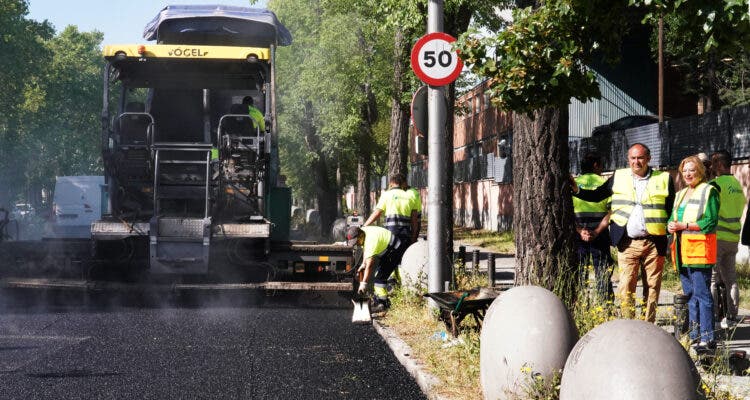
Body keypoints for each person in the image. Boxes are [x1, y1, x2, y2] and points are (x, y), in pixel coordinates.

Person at [572, 143, 675, 323]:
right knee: (626, 286)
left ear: (648, 158)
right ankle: (628, 325)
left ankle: (648, 325)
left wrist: (669, 235)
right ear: (628, 159)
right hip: (627, 242)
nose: (636, 162)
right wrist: (576, 189)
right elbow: (596, 195)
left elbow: (670, 208)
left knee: (652, 287)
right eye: (633, 158)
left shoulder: (664, 178)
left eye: (640, 158)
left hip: (654, 242)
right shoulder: (619, 177)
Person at [668, 155, 719, 349]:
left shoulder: (709, 191)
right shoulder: (680, 194)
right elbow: (673, 218)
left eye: (692, 170)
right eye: (685, 171)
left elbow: (710, 222)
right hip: (682, 252)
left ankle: (707, 338)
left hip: (699, 252)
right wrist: (671, 225)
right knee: (690, 295)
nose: (688, 174)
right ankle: (694, 335)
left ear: (701, 171)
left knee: (702, 295)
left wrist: (685, 225)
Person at [709, 150, 745, 328]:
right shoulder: (737, 185)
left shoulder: (715, 185)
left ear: (720, 164)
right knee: (731, 279)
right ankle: (731, 316)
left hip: (718, 237)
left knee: (712, 279)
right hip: (733, 238)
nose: (711, 166)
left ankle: (714, 317)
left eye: (713, 163)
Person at [572, 152, 613, 300]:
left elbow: (566, 211)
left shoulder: (574, 183)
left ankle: (580, 302)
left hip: (578, 232)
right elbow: (612, 211)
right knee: (603, 269)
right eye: (601, 166)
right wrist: (596, 231)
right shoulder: (605, 183)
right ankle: (605, 304)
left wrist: (579, 231)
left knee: (579, 270)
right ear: (596, 165)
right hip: (600, 232)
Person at [347, 225, 404, 312]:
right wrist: (363, 263)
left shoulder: (370, 241)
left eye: (356, 241)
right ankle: (383, 300)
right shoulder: (363, 233)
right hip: (388, 249)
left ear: (360, 236)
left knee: (379, 280)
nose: (356, 244)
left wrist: (364, 284)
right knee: (381, 275)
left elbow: (370, 265)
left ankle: (384, 304)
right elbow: (366, 250)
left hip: (394, 250)